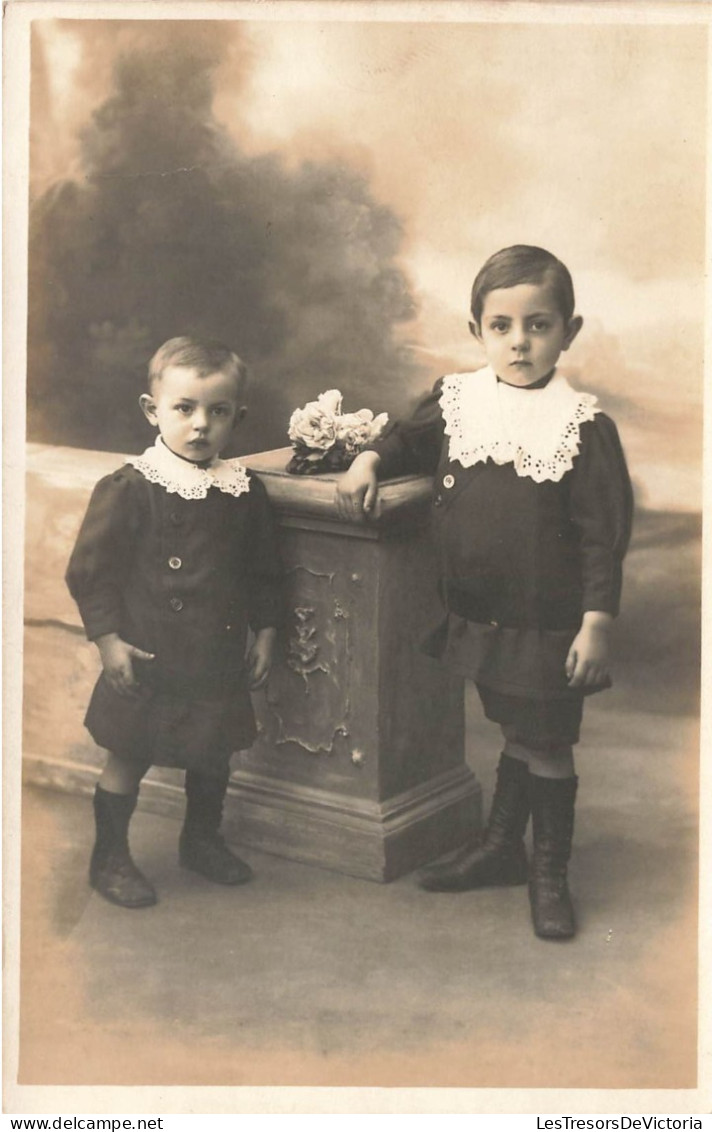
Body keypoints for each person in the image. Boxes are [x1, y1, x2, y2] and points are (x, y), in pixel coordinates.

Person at [336, 246, 633, 940]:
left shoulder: (584, 429)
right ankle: (503, 849)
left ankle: (548, 874)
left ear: (569, 330)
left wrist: (596, 623)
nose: (520, 341)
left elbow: (602, 537)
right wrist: (368, 458)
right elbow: (408, 441)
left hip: (549, 621)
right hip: (481, 616)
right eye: (501, 326)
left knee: (548, 740)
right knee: (519, 728)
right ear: (478, 332)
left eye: (538, 325)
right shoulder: (457, 400)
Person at [66, 337, 282, 909]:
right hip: (148, 654)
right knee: (129, 755)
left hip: (213, 657)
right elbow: (91, 573)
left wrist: (265, 632)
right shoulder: (131, 487)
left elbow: (263, 573)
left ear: (238, 416)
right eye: (184, 408)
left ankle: (201, 840)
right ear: (152, 409)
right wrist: (109, 641)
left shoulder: (242, 492)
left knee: (213, 752)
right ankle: (109, 857)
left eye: (217, 411)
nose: (200, 425)